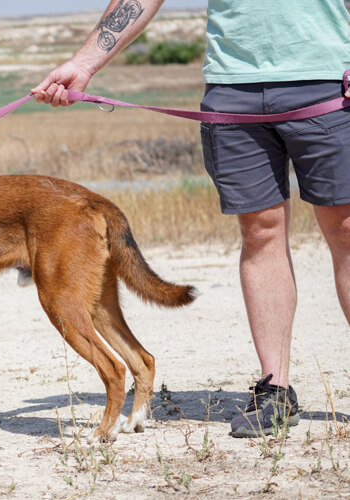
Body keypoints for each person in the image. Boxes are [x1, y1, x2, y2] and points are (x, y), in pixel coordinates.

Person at [32, 0, 350, 438]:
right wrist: (85, 63)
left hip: (331, 79)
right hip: (233, 84)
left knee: (346, 230)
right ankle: (275, 389)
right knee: (260, 232)